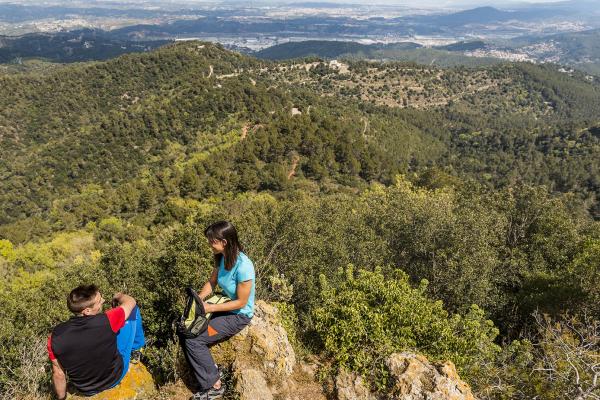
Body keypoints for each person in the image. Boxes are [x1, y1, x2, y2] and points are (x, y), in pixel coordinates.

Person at [180, 221, 255, 400]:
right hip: (224, 304)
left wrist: (211, 307)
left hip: (238, 315)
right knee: (185, 328)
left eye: (212, 241)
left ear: (224, 242)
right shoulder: (221, 257)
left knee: (195, 339)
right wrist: (197, 300)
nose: (209, 244)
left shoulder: (244, 266)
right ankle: (209, 370)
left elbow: (241, 302)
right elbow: (212, 282)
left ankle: (214, 385)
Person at [48, 285, 146, 399]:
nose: (103, 301)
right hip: (114, 378)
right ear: (87, 311)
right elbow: (131, 302)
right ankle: (136, 350)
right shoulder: (108, 320)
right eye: (100, 301)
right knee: (133, 310)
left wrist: (62, 397)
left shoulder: (55, 336)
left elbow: (58, 373)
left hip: (85, 389)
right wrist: (118, 296)